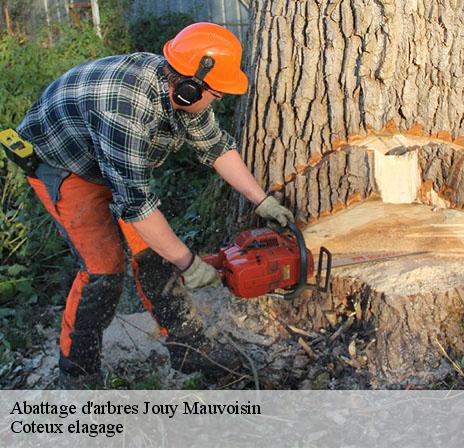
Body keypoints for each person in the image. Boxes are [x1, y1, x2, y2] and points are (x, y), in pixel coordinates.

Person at [8, 22, 294, 389]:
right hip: (64, 164)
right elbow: (137, 205)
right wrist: (189, 263)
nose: (218, 101)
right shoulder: (126, 106)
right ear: (192, 87)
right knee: (103, 271)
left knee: (155, 257)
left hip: (111, 159)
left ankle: (190, 350)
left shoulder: (185, 90)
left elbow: (217, 147)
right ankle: (78, 377)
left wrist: (262, 200)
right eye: (217, 95)